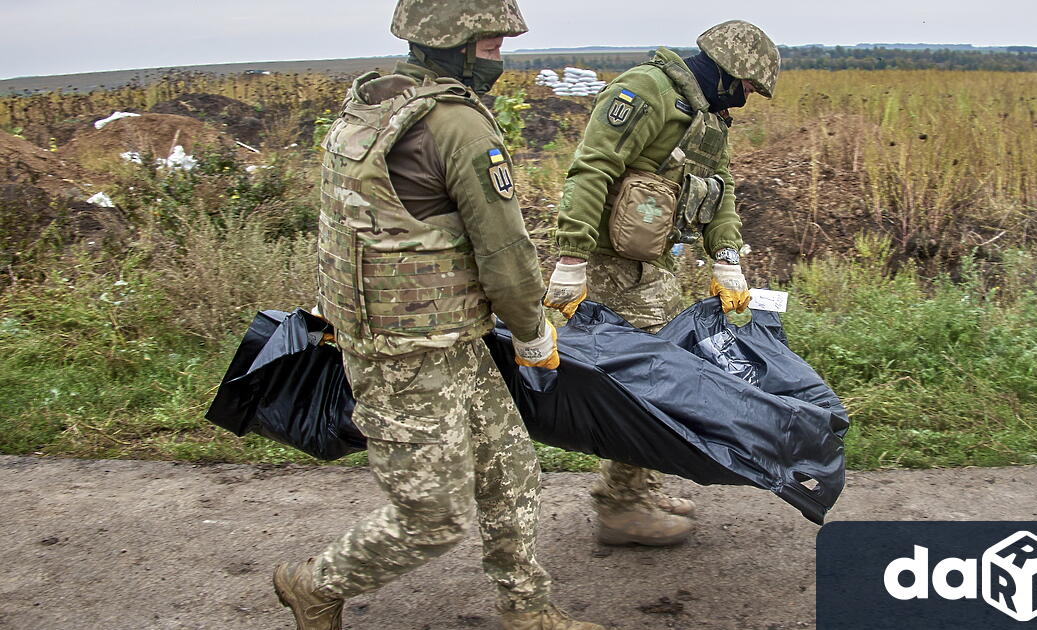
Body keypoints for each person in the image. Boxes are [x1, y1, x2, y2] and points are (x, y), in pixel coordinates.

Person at [271, 2, 603, 629]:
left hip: (442, 337)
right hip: (404, 357)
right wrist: (533, 335)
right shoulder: (458, 125)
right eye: (491, 42)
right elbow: (506, 255)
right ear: (452, 39)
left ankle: (528, 613)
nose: (501, 53)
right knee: (433, 515)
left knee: (509, 471)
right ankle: (314, 584)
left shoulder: (374, 101)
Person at [543, 21, 781, 547]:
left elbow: (720, 190)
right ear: (725, 71)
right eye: (745, 86)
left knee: (656, 372)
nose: (744, 100)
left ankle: (635, 487)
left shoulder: (706, 116)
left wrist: (725, 258)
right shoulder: (644, 92)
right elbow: (591, 170)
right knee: (650, 378)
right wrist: (571, 259)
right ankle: (622, 505)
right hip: (610, 263)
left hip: (649, 263)